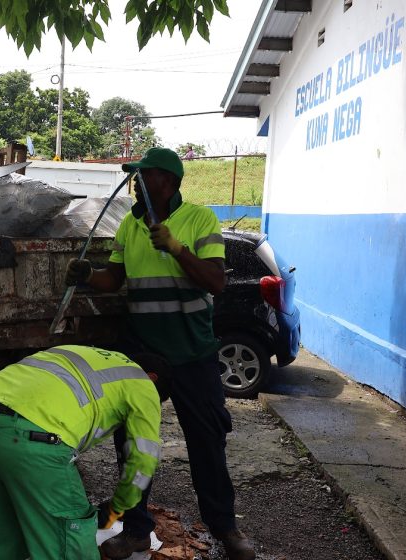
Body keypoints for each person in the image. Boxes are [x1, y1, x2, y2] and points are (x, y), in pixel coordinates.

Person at [65, 147, 255, 560]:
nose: (135, 183)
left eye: (143, 176)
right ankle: (135, 530)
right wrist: (88, 276)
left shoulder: (200, 219)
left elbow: (216, 282)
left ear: (168, 181)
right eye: (134, 176)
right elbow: (114, 278)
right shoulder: (130, 227)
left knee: (206, 442)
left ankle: (225, 528)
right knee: (135, 445)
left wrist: (176, 247)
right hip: (144, 357)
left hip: (193, 353)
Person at [0, 344, 165, 560]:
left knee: (5, 536)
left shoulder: (86, 355)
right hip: (30, 438)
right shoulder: (143, 383)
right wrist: (119, 506)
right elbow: (143, 457)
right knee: (69, 543)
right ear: (153, 378)